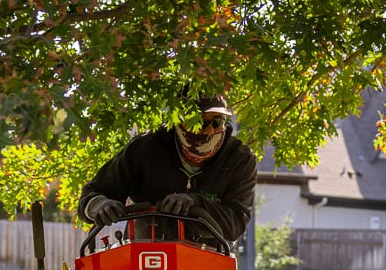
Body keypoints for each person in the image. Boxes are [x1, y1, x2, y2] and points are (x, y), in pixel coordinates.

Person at [77, 95, 257, 246]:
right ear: (177, 121)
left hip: (207, 264)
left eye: (217, 122)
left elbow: (235, 224)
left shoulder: (240, 159)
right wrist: (99, 205)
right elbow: (93, 194)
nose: (209, 130)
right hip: (142, 259)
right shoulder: (145, 149)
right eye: (199, 122)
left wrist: (195, 203)